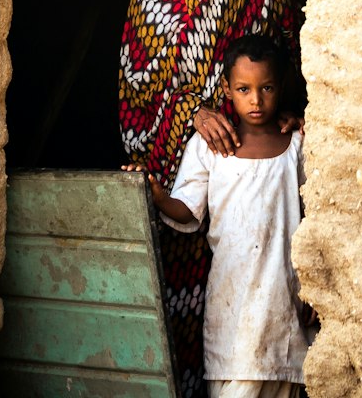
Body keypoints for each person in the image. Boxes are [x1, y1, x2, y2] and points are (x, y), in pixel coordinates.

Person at [118, 0, 301, 398]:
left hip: (259, 176)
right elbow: (136, 90)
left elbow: (288, 61)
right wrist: (192, 113)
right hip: (190, 177)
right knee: (188, 324)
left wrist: (286, 108)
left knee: (260, 301)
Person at [125, 35, 314, 398]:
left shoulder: (298, 145)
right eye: (244, 89)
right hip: (232, 314)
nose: (256, 100)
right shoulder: (209, 148)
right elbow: (187, 210)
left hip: (285, 312)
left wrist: (317, 291)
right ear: (226, 89)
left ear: (283, 86)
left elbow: (321, 217)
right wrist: (158, 197)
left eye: (267, 87)